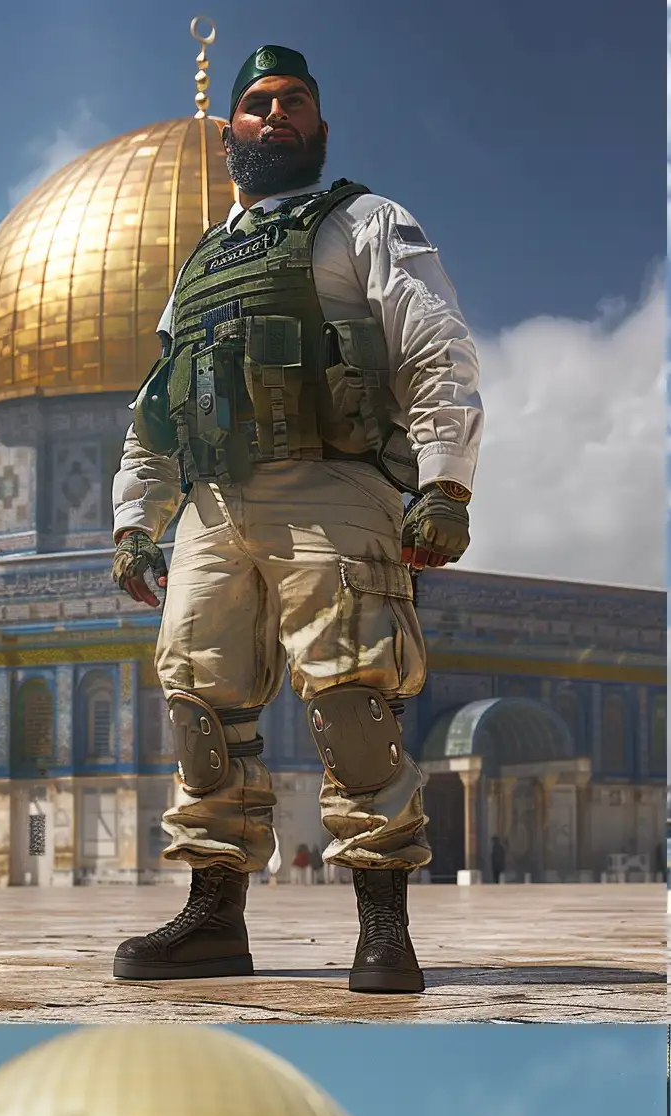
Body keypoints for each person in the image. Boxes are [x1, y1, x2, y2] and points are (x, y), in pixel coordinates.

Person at [111, 42, 482, 995]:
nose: (277, 115)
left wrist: (445, 481)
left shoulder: (363, 222)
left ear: (319, 128)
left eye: (296, 102)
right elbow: (161, 403)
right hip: (214, 504)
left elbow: (433, 341)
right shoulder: (199, 261)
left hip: (331, 483)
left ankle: (383, 923)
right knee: (200, 697)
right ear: (230, 129)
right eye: (260, 103)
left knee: (353, 692)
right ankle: (213, 917)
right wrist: (135, 520)